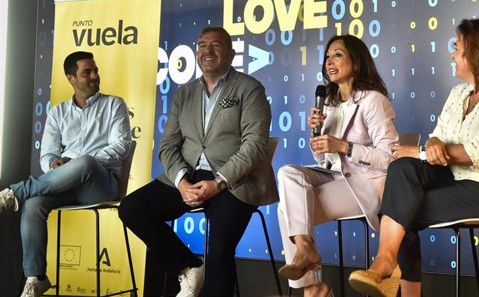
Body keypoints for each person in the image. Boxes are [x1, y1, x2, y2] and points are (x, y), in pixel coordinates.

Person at [349, 17, 479, 297]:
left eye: (457, 48)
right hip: (456, 177)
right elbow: (439, 137)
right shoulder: (459, 93)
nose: (452, 54)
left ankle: (386, 266)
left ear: (478, 52)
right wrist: (433, 142)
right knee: (402, 169)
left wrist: (424, 150)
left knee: (401, 208)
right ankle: (386, 262)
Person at [119, 26, 276, 297]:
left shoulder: (250, 89)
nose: (207, 51)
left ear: (231, 53)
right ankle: (188, 266)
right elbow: (168, 145)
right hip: (188, 177)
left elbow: (255, 145)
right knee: (132, 208)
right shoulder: (184, 93)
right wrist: (181, 182)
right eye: (202, 45)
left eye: (215, 45)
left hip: (234, 181)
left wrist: (220, 182)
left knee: (219, 250)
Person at [0, 51, 133, 297]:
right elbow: (47, 156)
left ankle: (15, 191)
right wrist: (56, 165)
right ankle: (36, 278)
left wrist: (80, 162)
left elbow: (121, 147)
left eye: (96, 71)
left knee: (85, 163)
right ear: (71, 78)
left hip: (101, 183)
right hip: (67, 186)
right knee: (33, 204)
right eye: (87, 72)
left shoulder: (114, 104)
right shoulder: (58, 113)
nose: (94, 76)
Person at [277, 34, 399, 297]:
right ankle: (307, 253)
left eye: (337, 55)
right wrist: (317, 137)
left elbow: (389, 158)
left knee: (285, 210)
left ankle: (314, 289)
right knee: (287, 173)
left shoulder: (373, 100)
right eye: (327, 56)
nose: (329, 61)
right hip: (334, 177)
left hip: (364, 185)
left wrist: (344, 146)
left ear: (356, 62)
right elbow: (325, 161)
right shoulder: (331, 104)